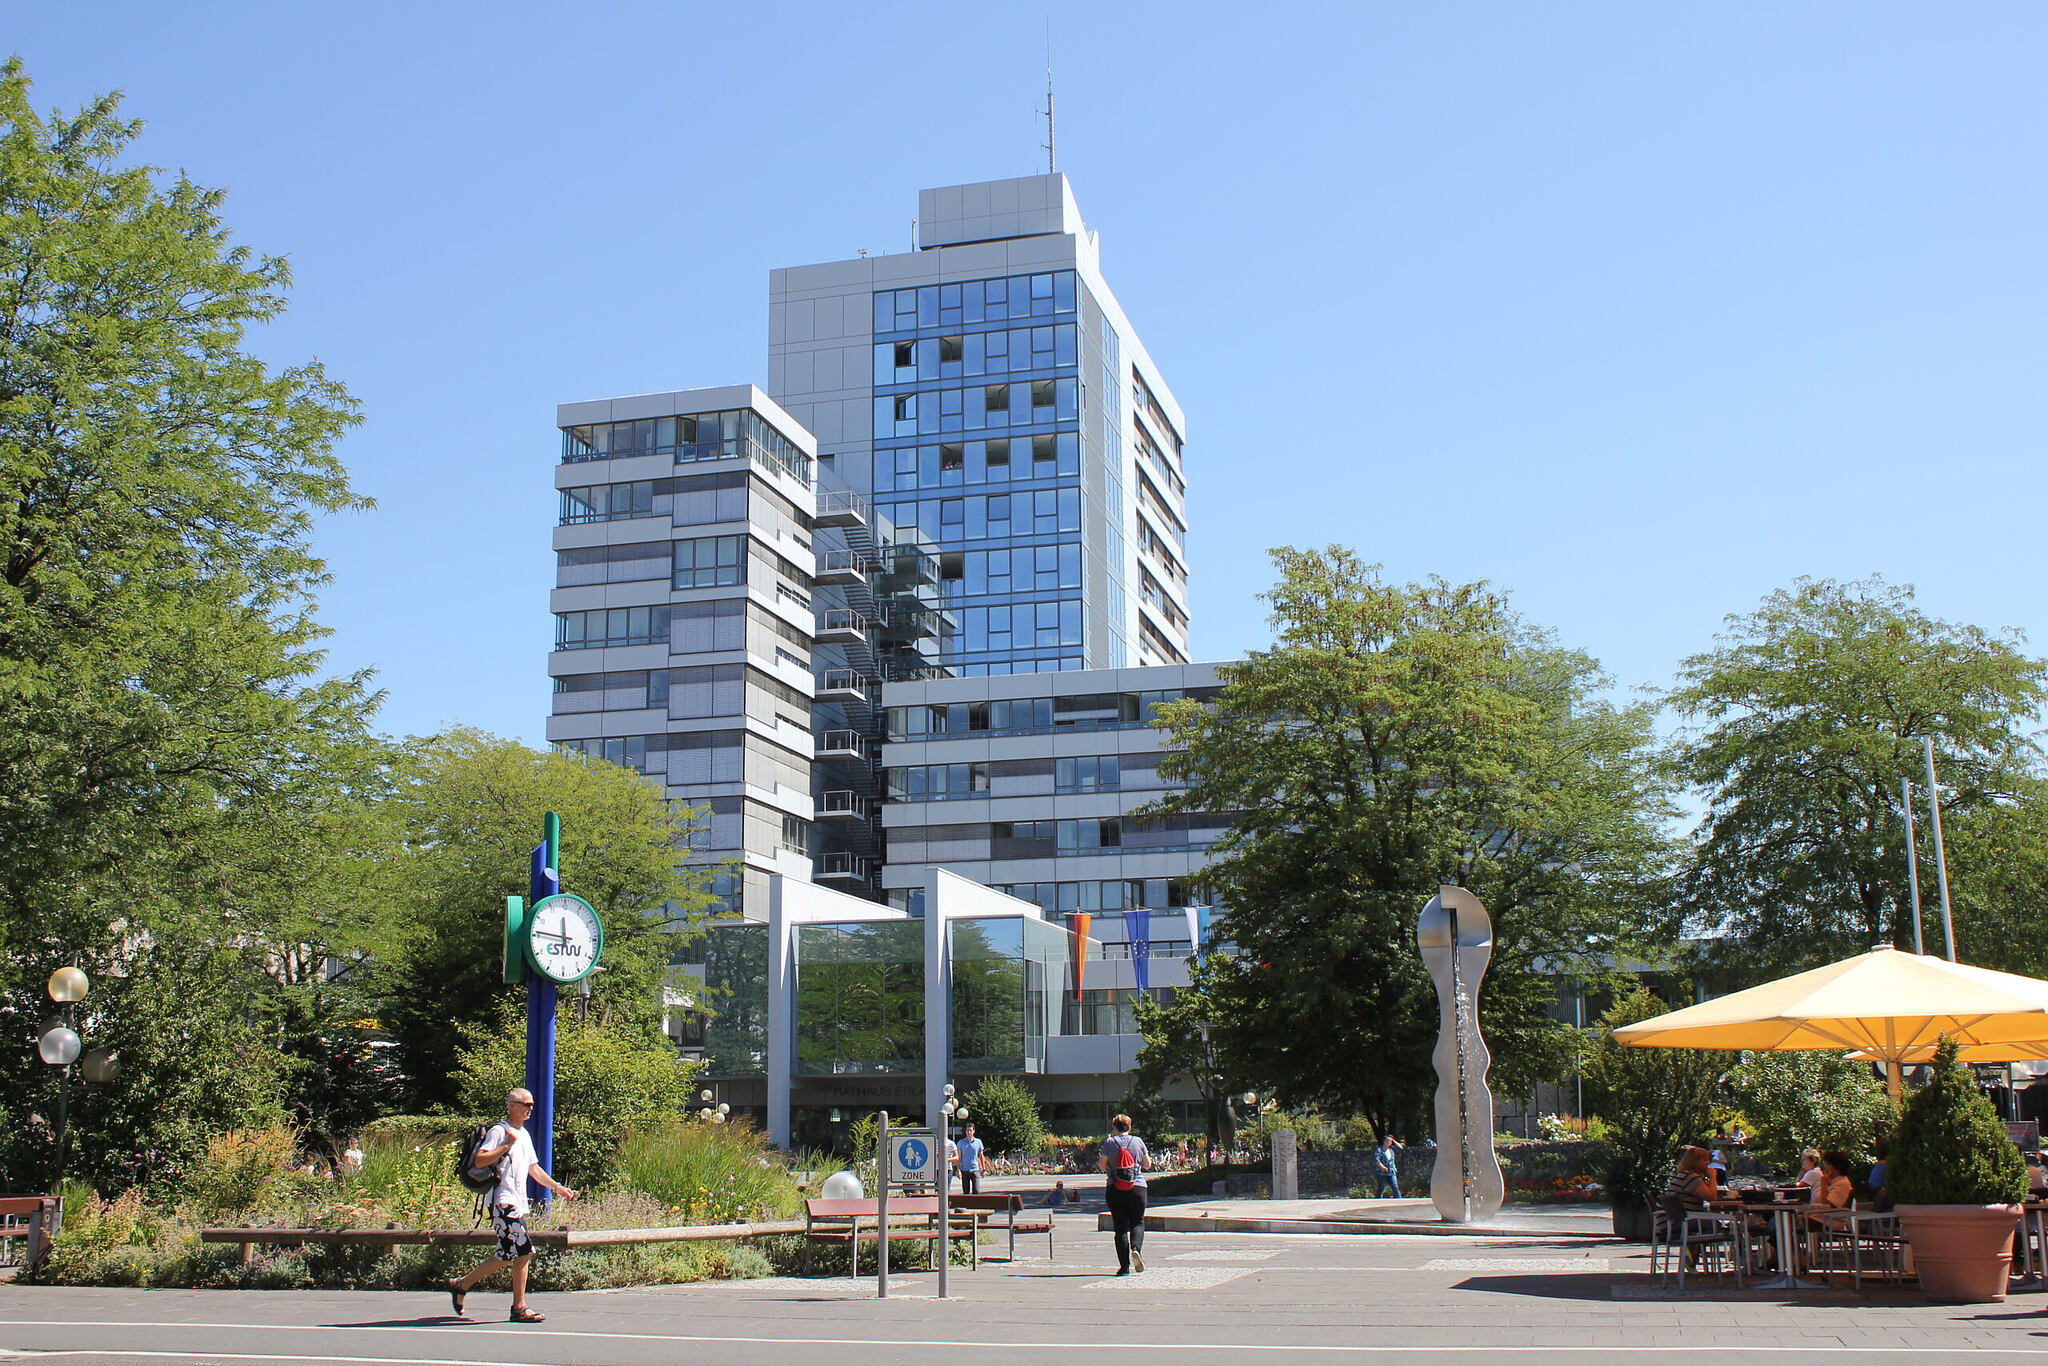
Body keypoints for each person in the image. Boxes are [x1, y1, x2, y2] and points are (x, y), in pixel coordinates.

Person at [446, 1088, 578, 1323]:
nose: (530, 1108)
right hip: (502, 1201)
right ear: (511, 1105)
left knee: (511, 1253)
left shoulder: (524, 1135)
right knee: (522, 1250)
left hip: (516, 1203)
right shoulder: (500, 1131)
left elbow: (533, 1168)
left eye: (532, 1104)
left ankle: (462, 1284)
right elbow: (480, 1160)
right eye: (526, 1104)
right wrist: (506, 1144)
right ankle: (518, 1307)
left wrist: (558, 1188)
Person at [1100, 1113, 1149, 1275]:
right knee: (1138, 1222)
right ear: (1130, 1127)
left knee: (1120, 1228)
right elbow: (1147, 1164)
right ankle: (1136, 1249)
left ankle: (1124, 1267)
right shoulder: (1138, 1141)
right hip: (1138, 1187)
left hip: (1115, 1188)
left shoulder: (1109, 1142)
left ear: (1115, 1128)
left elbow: (1102, 1166)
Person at [956, 1123, 985, 1195]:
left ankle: (975, 1205)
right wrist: (958, 1170)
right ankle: (967, 1205)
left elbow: (981, 1156)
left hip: (975, 1169)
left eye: (970, 1130)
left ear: (973, 1131)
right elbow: (959, 1157)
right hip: (964, 1170)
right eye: (967, 1130)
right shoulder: (961, 1142)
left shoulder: (978, 1142)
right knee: (966, 1192)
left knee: (976, 1190)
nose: (969, 1132)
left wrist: (983, 1169)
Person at [1371, 1135, 1403, 1199]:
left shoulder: (1392, 1149)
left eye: (1390, 1141)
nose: (1389, 1142)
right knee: (1381, 1187)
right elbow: (1376, 1159)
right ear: (1384, 1141)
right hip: (1381, 1172)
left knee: (1395, 1186)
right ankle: (1378, 1201)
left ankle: (1399, 1200)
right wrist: (1382, 1166)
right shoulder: (1379, 1149)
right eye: (1387, 1140)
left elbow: (1400, 1148)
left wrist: (1393, 1140)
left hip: (1391, 1171)